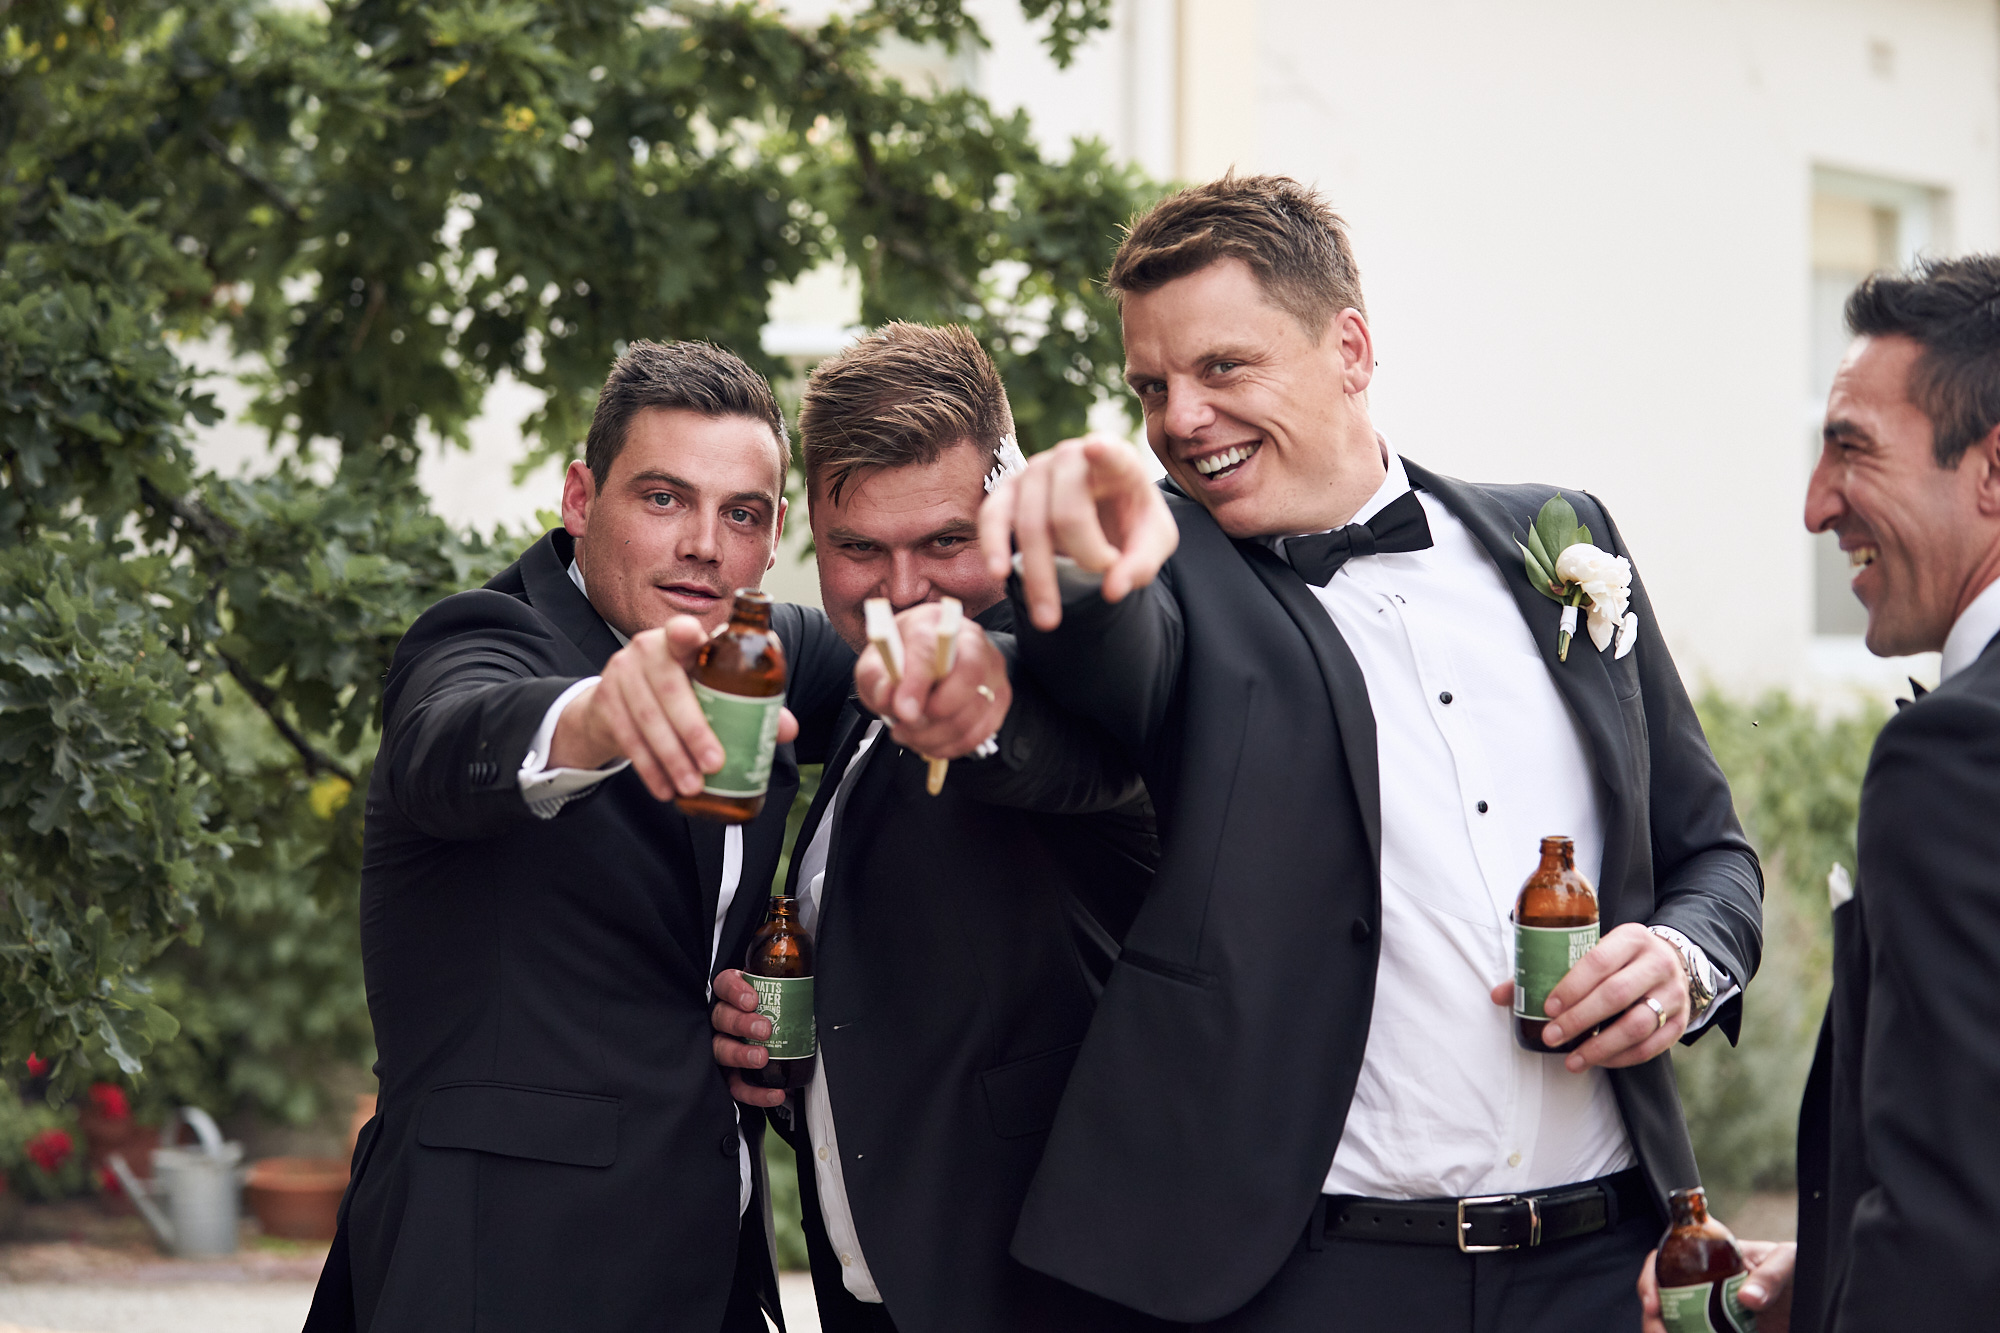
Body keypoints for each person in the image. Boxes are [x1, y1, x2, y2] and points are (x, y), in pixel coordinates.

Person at [977, 176, 1765, 1332]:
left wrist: (1682, 964)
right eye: (1150, 385)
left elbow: (1714, 855)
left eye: (1222, 369)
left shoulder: (1566, 538)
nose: (1179, 418)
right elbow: (1105, 655)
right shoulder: (1171, 568)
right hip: (1313, 1277)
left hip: (1605, 1268)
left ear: (1348, 347)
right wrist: (1074, 552)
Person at [304, 339, 1011, 1333]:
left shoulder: (765, 651)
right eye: (662, 498)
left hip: (704, 1273)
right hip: (486, 1271)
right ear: (581, 498)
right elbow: (447, 742)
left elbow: (935, 636)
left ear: (772, 544)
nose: (703, 545)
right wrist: (598, 716)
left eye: (742, 515)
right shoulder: (480, 637)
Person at [707, 322, 1167, 1333]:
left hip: (1044, 1301)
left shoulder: (1048, 679)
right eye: (859, 549)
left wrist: (984, 708)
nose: (903, 591)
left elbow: (1082, 748)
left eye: (944, 543)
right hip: (872, 1294)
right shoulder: (856, 688)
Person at [1638, 256, 2000, 1330]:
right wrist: (1838, 1262)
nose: (1813, 506)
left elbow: (1952, 1210)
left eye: (1850, 448)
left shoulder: (1957, 748)